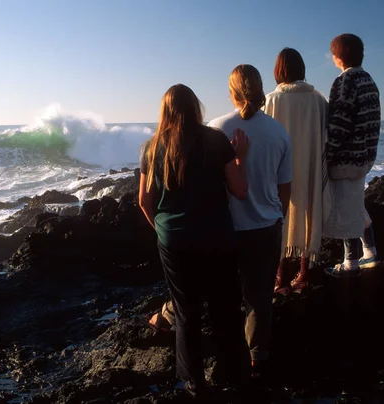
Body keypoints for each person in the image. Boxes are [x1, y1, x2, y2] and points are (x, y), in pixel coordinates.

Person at [138, 84, 250, 396]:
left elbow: (144, 202)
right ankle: (237, 378)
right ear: (195, 107)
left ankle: (194, 384)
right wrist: (241, 157)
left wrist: (163, 231)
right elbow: (240, 190)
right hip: (217, 237)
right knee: (226, 309)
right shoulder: (215, 140)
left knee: (186, 312)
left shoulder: (151, 147)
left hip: (175, 242)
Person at [208, 65, 292, 377]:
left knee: (221, 295)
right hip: (266, 228)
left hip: (226, 228)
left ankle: (227, 356)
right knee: (259, 298)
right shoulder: (279, 132)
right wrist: (278, 216)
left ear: (231, 92)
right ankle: (257, 357)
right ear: (260, 89)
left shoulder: (215, 129)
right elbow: (285, 186)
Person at [263, 48, 331, 294]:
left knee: (279, 213)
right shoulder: (318, 100)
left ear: (278, 71)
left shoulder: (272, 100)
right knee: (309, 210)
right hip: (310, 165)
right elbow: (327, 135)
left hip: (280, 167)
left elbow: (264, 137)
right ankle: (303, 272)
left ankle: (279, 273)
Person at [322, 33, 381, 277]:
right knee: (356, 205)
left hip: (346, 159)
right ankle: (370, 251)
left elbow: (340, 123)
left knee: (347, 211)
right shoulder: (369, 80)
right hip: (364, 157)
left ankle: (350, 265)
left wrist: (327, 152)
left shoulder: (345, 81)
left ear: (337, 57)